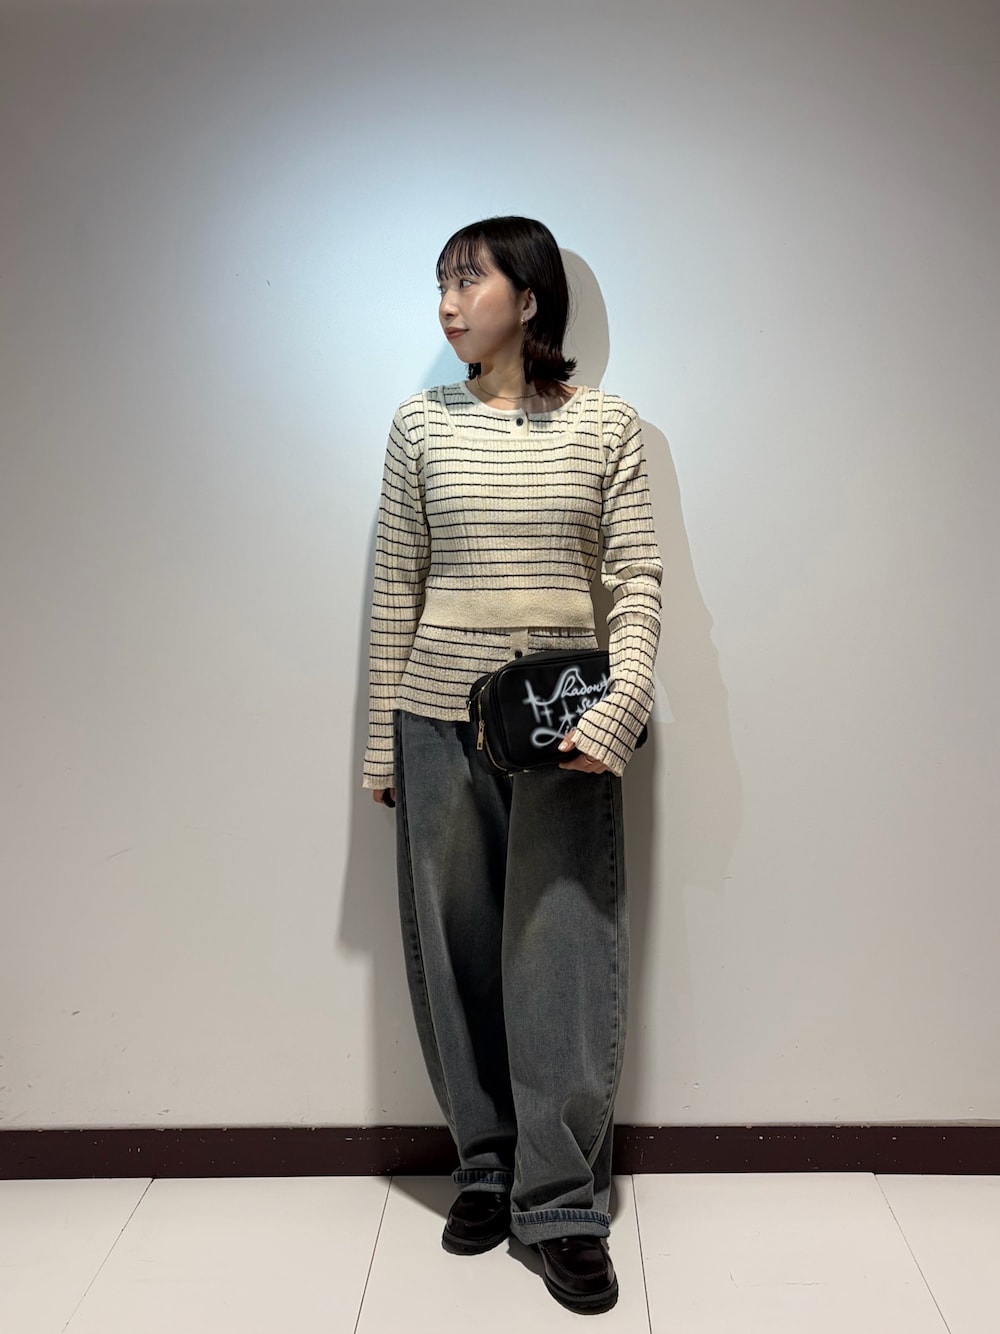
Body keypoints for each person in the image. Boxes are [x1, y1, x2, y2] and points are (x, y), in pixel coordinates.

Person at [362, 216, 661, 1314]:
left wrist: (623, 706)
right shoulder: (419, 426)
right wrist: (380, 741)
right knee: (456, 954)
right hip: (436, 719)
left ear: (527, 299)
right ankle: (484, 1164)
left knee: (562, 957)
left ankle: (563, 1202)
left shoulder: (606, 426)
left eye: (468, 282)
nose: (447, 305)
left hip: (563, 732)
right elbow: (397, 584)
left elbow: (636, 577)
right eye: (439, 284)